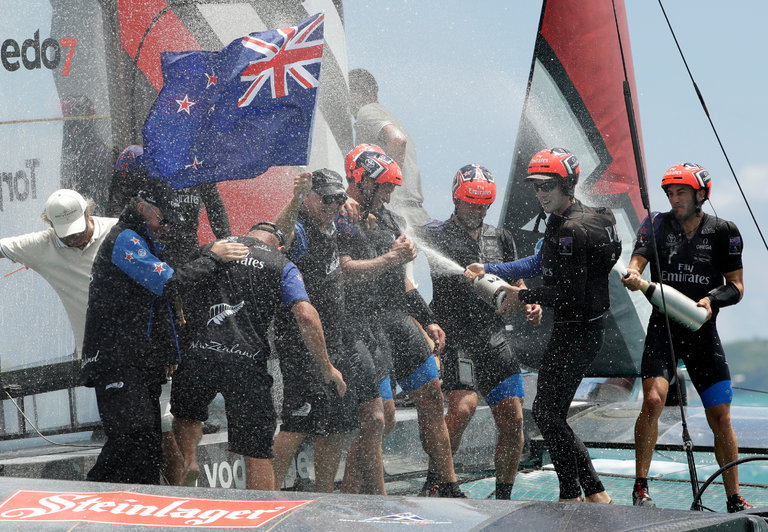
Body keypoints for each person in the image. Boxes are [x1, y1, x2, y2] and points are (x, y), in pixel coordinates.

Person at [467, 148, 620, 503]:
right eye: (536, 187)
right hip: (573, 329)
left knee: (550, 415)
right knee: (552, 415)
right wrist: (492, 269)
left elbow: (569, 293)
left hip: (579, 332)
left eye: (547, 186)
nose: (541, 194)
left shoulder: (572, 228)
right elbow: (540, 262)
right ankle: (582, 495)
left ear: (567, 183)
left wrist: (517, 295)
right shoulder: (565, 219)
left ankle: (586, 494)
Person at [80, 178, 248, 485]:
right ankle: (86, 499)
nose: (166, 226)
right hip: (114, 358)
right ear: (143, 206)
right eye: (163, 218)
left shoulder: (148, 237)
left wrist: (169, 349)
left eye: (171, 221)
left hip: (140, 360)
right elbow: (170, 283)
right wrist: (213, 256)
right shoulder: (126, 239)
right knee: (133, 434)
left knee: (148, 446)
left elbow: (162, 301)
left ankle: (141, 510)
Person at [170, 221, 345, 490]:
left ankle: (191, 460)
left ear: (248, 234)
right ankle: (260, 515)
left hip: (199, 354)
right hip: (245, 363)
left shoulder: (212, 249)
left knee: (187, 414)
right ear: (279, 244)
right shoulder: (281, 263)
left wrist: (181, 322)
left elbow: (176, 283)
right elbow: (306, 315)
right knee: (257, 451)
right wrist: (326, 366)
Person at [621, 163, 751, 512]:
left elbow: (736, 287)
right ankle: (640, 489)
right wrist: (633, 273)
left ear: (700, 195)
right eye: (670, 193)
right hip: (663, 328)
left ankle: (733, 498)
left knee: (720, 415)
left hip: (702, 331)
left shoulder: (724, 231)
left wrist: (711, 300)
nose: (674, 199)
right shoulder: (656, 223)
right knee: (652, 401)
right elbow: (638, 261)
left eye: (681, 193)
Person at [339, 145, 463, 498]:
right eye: (385, 187)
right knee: (382, 420)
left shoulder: (389, 219)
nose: (390, 194)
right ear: (361, 181)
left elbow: (404, 280)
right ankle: (347, 498)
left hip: (397, 317)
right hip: (363, 323)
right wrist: (391, 257)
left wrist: (429, 320)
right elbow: (346, 272)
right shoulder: (342, 216)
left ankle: (448, 485)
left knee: (432, 392)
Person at [418, 164, 541, 499]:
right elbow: (399, 231)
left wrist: (528, 301)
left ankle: (502, 495)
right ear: (456, 199)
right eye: (471, 203)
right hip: (457, 339)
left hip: (495, 338)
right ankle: (437, 482)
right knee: (461, 410)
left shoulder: (501, 237)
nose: (478, 210)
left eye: (484, 205)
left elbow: (517, 281)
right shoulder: (434, 234)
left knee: (514, 419)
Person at [271, 169, 383, 494]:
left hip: (334, 342)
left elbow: (347, 209)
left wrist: (354, 207)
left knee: (339, 424)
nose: (332, 205)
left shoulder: (332, 221)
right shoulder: (302, 229)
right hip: (301, 343)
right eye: (326, 198)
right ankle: (266, 495)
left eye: (338, 199)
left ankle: (324, 496)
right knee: (296, 425)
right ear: (309, 196)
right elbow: (281, 233)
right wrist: (294, 199)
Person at [0, 189, 117, 356]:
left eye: (77, 230)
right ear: (51, 224)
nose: (73, 237)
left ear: (87, 213)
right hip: (95, 356)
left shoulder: (119, 231)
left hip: (137, 346)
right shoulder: (42, 245)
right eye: (66, 233)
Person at [348, 68, 429, 227]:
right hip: (413, 211)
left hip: (397, 209)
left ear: (356, 92)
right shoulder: (387, 115)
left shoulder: (367, 112)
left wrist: (386, 187)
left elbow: (397, 141)